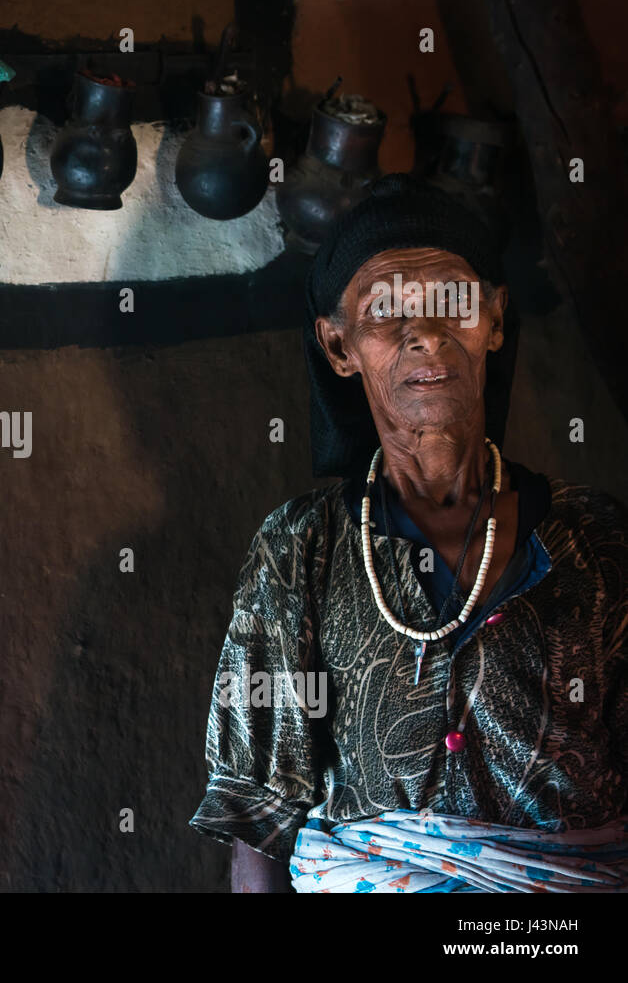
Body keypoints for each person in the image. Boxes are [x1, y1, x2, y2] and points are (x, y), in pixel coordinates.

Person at [188, 174, 628, 892]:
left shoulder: (599, 542)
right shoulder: (304, 549)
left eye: (453, 301)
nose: (424, 331)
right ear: (338, 346)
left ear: (493, 319)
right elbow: (258, 822)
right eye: (384, 309)